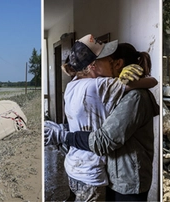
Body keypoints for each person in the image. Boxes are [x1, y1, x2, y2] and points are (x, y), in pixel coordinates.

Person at [48, 34, 158, 201]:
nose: (98, 65)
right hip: (112, 176)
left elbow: (102, 141)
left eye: (103, 60)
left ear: (118, 64)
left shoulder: (133, 96)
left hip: (127, 181)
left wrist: (65, 136)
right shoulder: (107, 90)